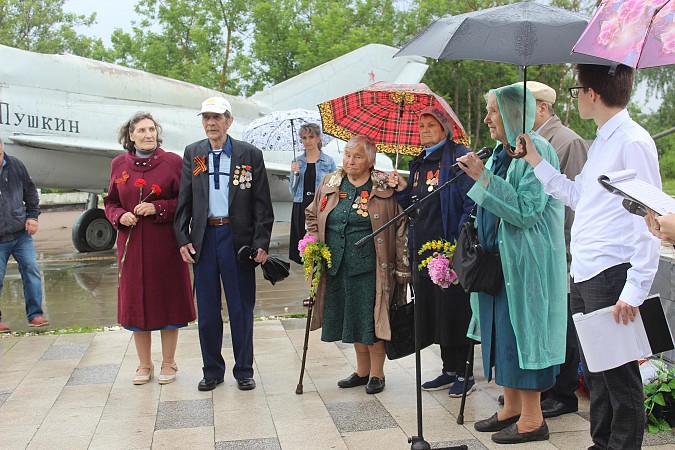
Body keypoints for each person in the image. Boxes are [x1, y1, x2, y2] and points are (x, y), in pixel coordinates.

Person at [515, 64, 661, 450]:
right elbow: (580, 196)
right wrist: (537, 162)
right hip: (587, 271)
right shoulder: (602, 141)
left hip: (612, 273)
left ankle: (622, 445)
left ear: (592, 93)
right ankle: (601, 442)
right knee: (596, 369)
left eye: (576, 89)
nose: (575, 96)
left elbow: (651, 216)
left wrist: (636, 287)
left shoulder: (632, 140)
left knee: (619, 373)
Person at [456, 83, 567, 444]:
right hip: (496, 266)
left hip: (524, 266)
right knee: (500, 335)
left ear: (512, 113)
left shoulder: (539, 150)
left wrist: (481, 177)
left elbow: (527, 211)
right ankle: (511, 407)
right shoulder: (502, 152)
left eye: (492, 111)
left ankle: (533, 419)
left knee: (523, 338)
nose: (487, 118)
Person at [174, 96, 274, 392]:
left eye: (216, 117)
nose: (210, 123)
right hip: (205, 240)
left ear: (229, 121)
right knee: (206, 309)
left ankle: (243, 369)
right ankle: (212, 370)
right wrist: (182, 238)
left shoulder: (249, 155)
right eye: (206, 117)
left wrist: (261, 242)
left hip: (237, 240)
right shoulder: (194, 153)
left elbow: (262, 205)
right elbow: (185, 201)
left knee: (241, 307)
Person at [305, 135, 409, 395]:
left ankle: (377, 373)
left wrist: (402, 266)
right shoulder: (331, 182)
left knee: (371, 320)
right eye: (348, 155)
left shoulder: (384, 185)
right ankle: (362, 371)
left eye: (358, 156)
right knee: (352, 319)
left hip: (371, 267)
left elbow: (401, 227)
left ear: (370, 161)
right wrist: (315, 239)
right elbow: (311, 213)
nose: (351, 161)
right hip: (337, 264)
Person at [387, 106, 476, 397]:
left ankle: (465, 372)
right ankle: (448, 370)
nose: (424, 129)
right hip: (422, 251)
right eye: (421, 124)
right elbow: (414, 203)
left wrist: (456, 246)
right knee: (435, 312)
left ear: (444, 128)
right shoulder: (419, 162)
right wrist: (401, 189)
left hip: (448, 251)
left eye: (430, 124)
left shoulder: (459, 157)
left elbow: (471, 203)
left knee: (454, 311)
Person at [513, 80, 589, 418]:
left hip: (564, 243)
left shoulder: (567, 141)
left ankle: (564, 391)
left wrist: (568, 245)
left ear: (541, 108)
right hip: (539, 244)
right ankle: (542, 388)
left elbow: (574, 199)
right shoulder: (529, 142)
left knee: (565, 322)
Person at [104, 112, 195, 385]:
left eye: (151, 129)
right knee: (136, 304)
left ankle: (169, 362)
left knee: (168, 301)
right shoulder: (119, 164)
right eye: (141, 130)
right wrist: (119, 215)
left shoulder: (173, 163)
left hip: (165, 246)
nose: (148, 134)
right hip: (131, 249)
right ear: (130, 135)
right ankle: (144, 364)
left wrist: (158, 207)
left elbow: (186, 201)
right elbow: (109, 201)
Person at [0, 137, 49, 333]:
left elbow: (30, 193)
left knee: (31, 271)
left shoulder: (15, 166)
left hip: (20, 234)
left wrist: (32, 217)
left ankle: (35, 315)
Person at [289, 123, 336, 264]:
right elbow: (292, 190)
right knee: (303, 248)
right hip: (301, 204)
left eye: (311, 137)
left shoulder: (328, 161)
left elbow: (334, 186)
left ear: (318, 138)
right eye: (304, 138)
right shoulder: (297, 161)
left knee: (319, 240)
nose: (307, 141)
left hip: (320, 204)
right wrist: (295, 173)